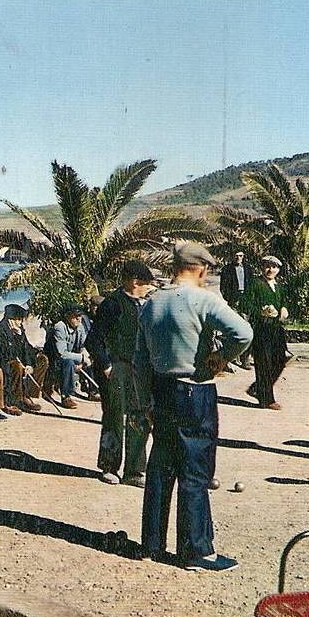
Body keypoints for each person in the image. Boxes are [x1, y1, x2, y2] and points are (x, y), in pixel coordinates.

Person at [135, 242, 253, 571]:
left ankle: (152, 545)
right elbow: (244, 332)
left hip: (161, 390)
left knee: (160, 468)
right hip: (194, 389)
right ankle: (197, 551)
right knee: (195, 471)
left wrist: (145, 399)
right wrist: (221, 357)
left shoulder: (151, 302)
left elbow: (139, 358)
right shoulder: (202, 299)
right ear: (202, 269)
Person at [86, 260, 155, 487]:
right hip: (115, 369)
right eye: (146, 284)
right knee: (114, 417)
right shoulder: (112, 304)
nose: (149, 288)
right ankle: (109, 467)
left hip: (138, 370)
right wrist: (106, 366)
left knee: (139, 418)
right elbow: (94, 340)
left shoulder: (143, 305)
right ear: (135, 282)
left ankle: (134, 471)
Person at [242, 255, 291, 410]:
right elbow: (245, 304)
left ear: (278, 269)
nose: (271, 270)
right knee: (264, 364)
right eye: (267, 266)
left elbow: (284, 302)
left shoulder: (279, 287)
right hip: (261, 328)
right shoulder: (255, 284)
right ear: (262, 268)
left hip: (276, 329)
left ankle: (257, 388)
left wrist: (284, 308)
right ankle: (266, 399)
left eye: (274, 267)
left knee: (280, 360)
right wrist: (260, 311)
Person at [0, 304, 48, 413]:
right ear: (10, 320)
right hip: (1, 364)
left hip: (18, 363)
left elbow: (27, 348)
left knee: (42, 360)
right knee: (16, 366)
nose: (21, 323)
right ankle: (11, 400)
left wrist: (29, 364)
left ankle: (27, 395)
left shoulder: (19, 330)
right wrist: (13, 337)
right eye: (19, 320)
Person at [44, 305, 91, 409]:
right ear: (68, 317)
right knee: (68, 362)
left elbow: (83, 346)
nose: (79, 319)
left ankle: (93, 391)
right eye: (75, 316)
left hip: (70, 356)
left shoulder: (80, 326)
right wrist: (81, 358)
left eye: (80, 316)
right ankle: (66, 396)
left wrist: (82, 360)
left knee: (91, 359)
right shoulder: (60, 327)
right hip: (55, 359)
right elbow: (62, 354)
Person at [219, 251, 253, 370]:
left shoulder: (248, 269)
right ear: (232, 256)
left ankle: (245, 359)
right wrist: (229, 298)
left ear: (244, 257)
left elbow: (252, 285)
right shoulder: (227, 269)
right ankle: (231, 357)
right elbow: (222, 288)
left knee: (246, 329)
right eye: (236, 255)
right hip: (233, 301)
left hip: (245, 302)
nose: (238, 258)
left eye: (241, 256)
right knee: (232, 328)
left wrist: (249, 299)